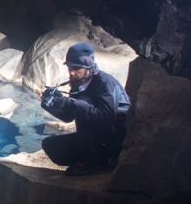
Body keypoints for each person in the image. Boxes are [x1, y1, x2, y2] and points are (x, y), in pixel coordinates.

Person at [40, 42, 130, 176]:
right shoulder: (80, 82)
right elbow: (68, 117)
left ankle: (95, 161)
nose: (71, 72)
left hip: (116, 138)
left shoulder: (105, 83)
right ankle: (96, 157)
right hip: (97, 137)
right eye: (69, 67)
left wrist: (71, 103)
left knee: (82, 103)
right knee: (51, 147)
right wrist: (52, 105)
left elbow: (105, 119)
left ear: (88, 67)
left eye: (76, 68)